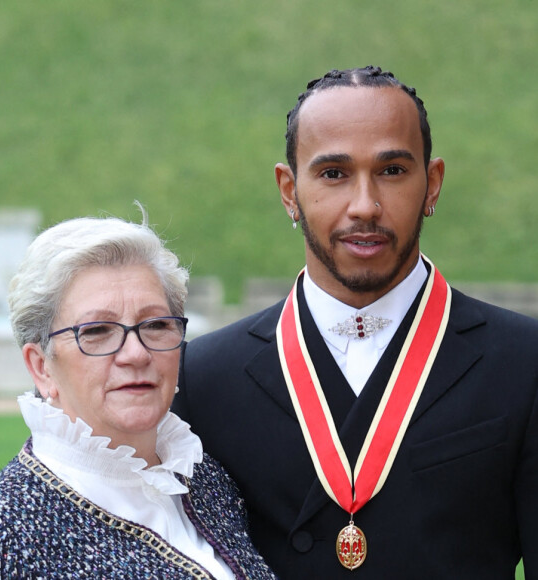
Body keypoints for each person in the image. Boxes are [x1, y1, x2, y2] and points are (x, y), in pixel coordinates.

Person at [172, 66, 538, 579]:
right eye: (333, 174)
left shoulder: (525, 362)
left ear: (432, 184)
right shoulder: (202, 377)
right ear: (288, 190)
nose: (365, 206)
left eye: (391, 171)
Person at [0, 211, 275, 579]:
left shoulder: (208, 481)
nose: (136, 353)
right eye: (97, 331)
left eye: (156, 325)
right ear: (42, 367)